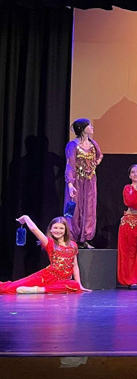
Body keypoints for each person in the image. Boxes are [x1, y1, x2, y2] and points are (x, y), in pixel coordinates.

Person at [1, 216, 89, 294]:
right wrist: (26, 218)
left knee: (75, 285)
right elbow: (34, 230)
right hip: (47, 276)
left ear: (65, 230)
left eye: (61, 228)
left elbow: (75, 266)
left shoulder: (73, 245)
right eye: (55, 228)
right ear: (50, 229)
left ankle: (38, 290)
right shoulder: (49, 242)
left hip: (62, 281)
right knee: (10, 288)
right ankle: (41, 289)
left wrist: (80, 285)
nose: (58, 231)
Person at [64, 118, 103, 248]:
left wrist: (94, 164)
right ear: (82, 128)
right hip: (76, 181)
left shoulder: (93, 144)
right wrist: (70, 184)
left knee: (89, 208)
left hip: (90, 180)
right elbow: (70, 165)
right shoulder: (73, 145)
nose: (92, 127)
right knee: (75, 208)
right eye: (89, 125)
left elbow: (99, 156)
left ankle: (85, 238)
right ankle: (72, 238)